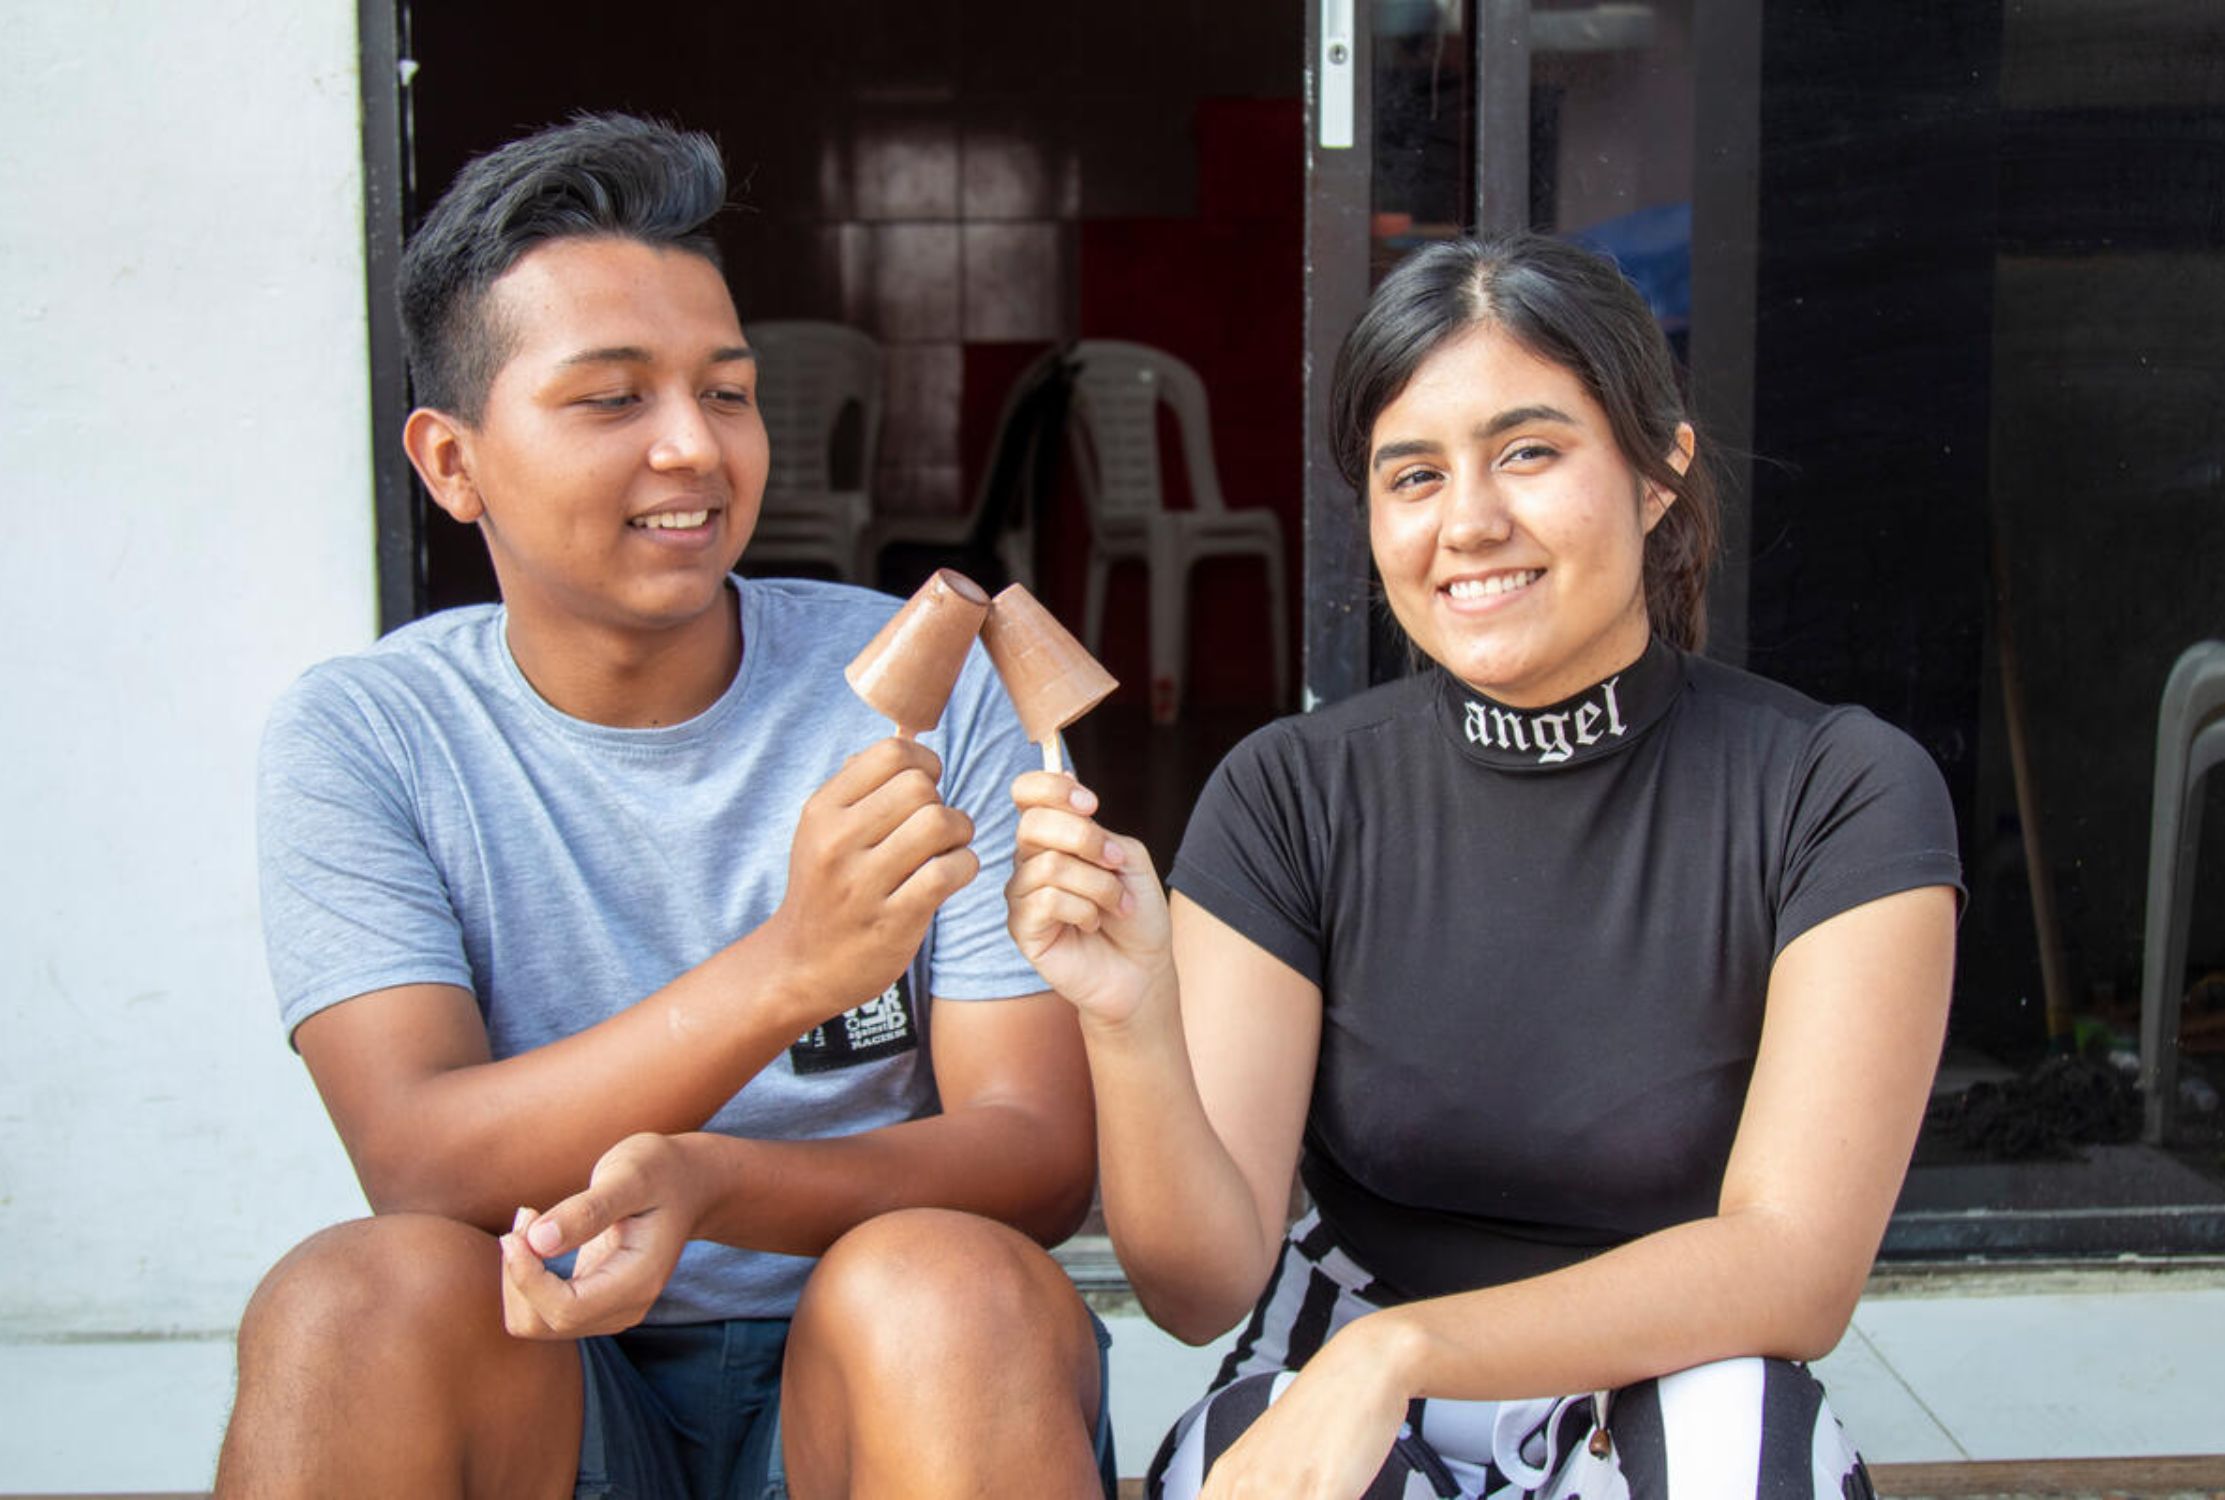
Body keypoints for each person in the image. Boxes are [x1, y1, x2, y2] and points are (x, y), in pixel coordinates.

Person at [215, 113, 1112, 1500]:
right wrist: (789, 972)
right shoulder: (370, 734)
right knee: (352, 1300)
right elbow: (417, 1159)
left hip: (870, 1373)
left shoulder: (927, 692)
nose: (695, 448)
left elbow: (1040, 1158)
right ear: (452, 463)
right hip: (545, 1367)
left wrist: (715, 1184)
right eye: (612, 398)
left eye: (729, 392)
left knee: (945, 1290)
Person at [1006, 232, 1961, 1500]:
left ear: (1656, 471)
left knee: (1733, 1444)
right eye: (1412, 475)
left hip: (1673, 1368)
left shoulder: (1832, 791)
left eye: (1527, 451)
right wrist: (1131, 1021)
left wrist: (1403, 1354)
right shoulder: (1290, 795)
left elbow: (1793, 1270)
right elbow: (1199, 1295)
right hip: (1332, 1374)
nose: (1468, 522)